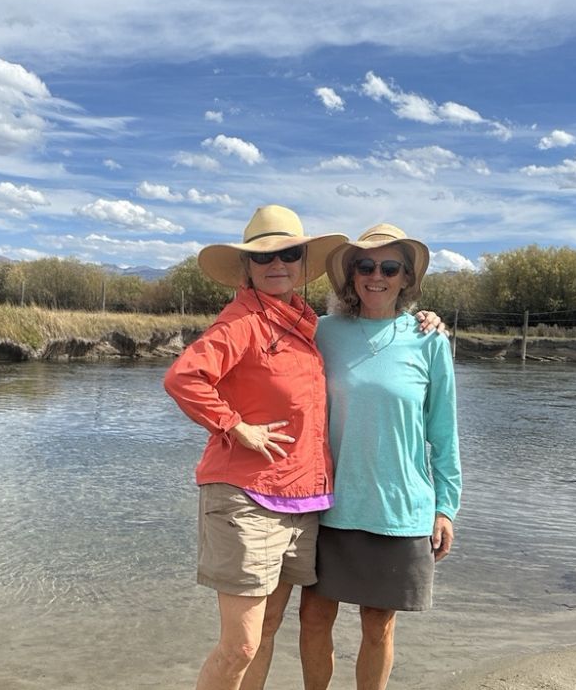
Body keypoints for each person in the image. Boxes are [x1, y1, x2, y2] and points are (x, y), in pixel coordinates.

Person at [164, 207, 443, 690]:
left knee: (268, 629)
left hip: (303, 502)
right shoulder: (245, 321)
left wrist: (422, 321)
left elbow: (416, 399)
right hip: (247, 496)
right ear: (247, 266)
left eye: (289, 253)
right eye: (264, 256)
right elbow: (184, 377)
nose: (278, 263)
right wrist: (235, 426)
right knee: (243, 644)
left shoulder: (309, 323)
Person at [299, 223, 462, 690]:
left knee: (378, 625)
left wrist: (446, 506)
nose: (377, 275)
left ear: (406, 278)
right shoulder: (321, 332)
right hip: (328, 504)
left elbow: (443, 432)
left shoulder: (429, 340)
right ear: (350, 276)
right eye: (365, 266)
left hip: (400, 506)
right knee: (313, 619)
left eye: (390, 267)